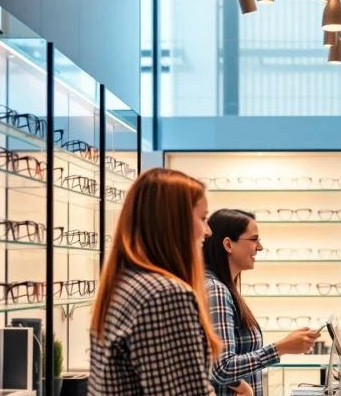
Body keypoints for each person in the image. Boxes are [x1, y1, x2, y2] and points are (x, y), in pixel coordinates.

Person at [88, 168, 220, 395]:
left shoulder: (126, 285)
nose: (207, 231)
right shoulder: (164, 294)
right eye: (202, 218)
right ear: (174, 222)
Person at [203, 208, 320, 396]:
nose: (260, 247)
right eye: (254, 239)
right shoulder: (216, 290)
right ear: (228, 244)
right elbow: (222, 367)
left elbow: (209, 361)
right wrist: (280, 348)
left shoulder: (217, 287)